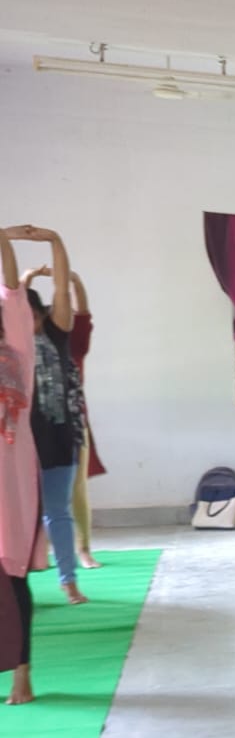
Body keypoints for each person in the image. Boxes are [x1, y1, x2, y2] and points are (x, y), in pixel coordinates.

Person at [14, 228, 86, 606]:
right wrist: (22, 279)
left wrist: (55, 241)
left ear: (41, 316)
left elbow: (61, 292)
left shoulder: (56, 334)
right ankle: (15, 584)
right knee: (15, 518)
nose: (26, 323)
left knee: (57, 512)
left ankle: (68, 580)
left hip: (57, 439)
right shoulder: (10, 343)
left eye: (31, 316)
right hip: (18, 443)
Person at [0, 227, 47, 704]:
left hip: (9, 485)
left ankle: (22, 673)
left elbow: (12, 289)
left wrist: (1, 238)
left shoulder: (15, 350)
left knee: (13, 580)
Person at [61, 270, 104, 570]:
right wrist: (24, 282)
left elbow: (83, 314)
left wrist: (74, 282)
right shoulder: (31, 344)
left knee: (77, 489)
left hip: (75, 423)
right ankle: (39, 551)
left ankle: (84, 549)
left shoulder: (74, 344)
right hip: (36, 426)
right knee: (38, 491)